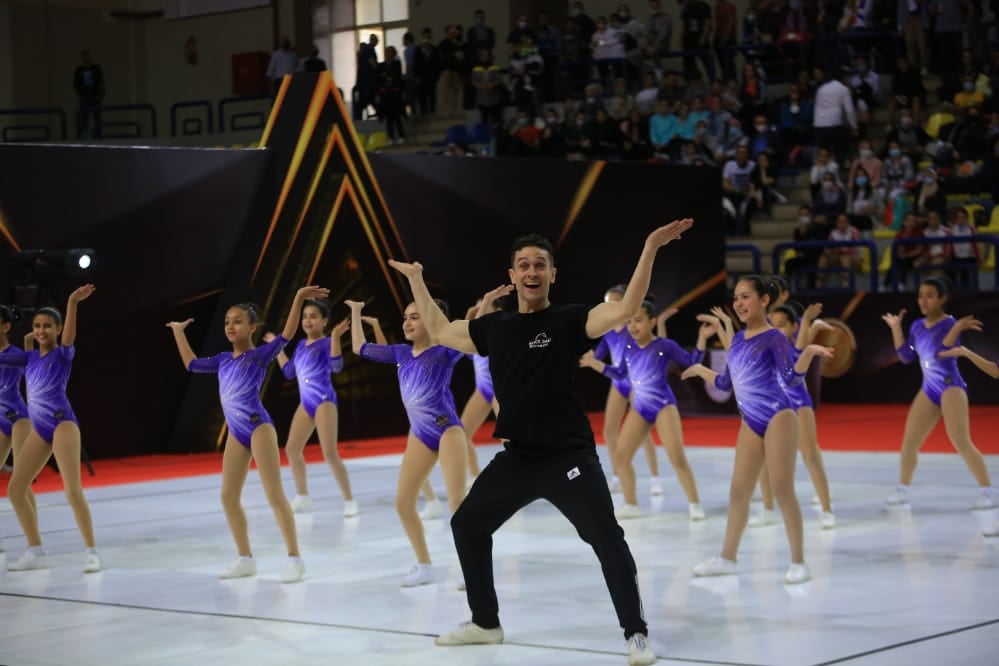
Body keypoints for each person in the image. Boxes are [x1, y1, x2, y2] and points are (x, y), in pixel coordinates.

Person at [387, 220, 697, 664]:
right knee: (467, 525)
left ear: (553, 273)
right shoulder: (494, 327)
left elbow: (627, 307)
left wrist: (649, 247)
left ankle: (636, 632)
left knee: (606, 537)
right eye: (523, 265)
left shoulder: (570, 320)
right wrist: (417, 280)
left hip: (568, 454)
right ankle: (485, 623)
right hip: (518, 457)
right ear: (512, 275)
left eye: (539, 265)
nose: (531, 271)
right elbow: (437, 330)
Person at [167, 286, 327, 583]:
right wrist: (178, 332)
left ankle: (295, 559)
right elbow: (191, 364)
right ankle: (245, 559)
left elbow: (287, 335)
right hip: (236, 433)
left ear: (253, 327)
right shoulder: (223, 359)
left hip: (258, 428)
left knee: (274, 494)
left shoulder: (259, 356)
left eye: (238, 321)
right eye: (227, 321)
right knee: (228, 497)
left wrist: (298, 298)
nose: (231, 326)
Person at [681, 276, 833, 584]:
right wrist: (699, 369)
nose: (739, 303)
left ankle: (799, 562)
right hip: (750, 421)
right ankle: (727, 558)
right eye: (736, 297)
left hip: (779, 416)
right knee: (739, 491)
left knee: (782, 489)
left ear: (764, 300)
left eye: (746, 296)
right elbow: (726, 383)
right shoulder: (738, 340)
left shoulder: (774, 338)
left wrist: (807, 353)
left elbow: (790, 379)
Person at [346, 298, 468, 587]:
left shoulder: (445, 351)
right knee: (403, 502)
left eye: (415, 317)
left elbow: (472, 337)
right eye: (405, 317)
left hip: (448, 431)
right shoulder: (401, 352)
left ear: (431, 320)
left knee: (457, 503)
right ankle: (424, 565)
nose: (407, 322)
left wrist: (482, 307)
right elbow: (359, 347)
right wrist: (356, 312)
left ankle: (471, 566)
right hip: (420, 434)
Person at [580, 303, 713, 521]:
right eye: (630, 321)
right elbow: (619, 373)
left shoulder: (664, 345)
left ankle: (694, 503)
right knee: (621, 457)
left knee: (676, 457)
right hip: (641, 408)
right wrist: (594, 363)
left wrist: (702, 338)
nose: (633, 326)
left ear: (652, 322)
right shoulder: (629, 347)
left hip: (663, 406)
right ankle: (631, 504)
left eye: (638, 320)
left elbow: (692, 361)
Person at [3, 285, 102, 573]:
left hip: (63, 426)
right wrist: (27, 342)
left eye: (47, 325)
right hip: (40, 429)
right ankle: (36, 551)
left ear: (57, 329)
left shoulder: (62, 355)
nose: (42, 330)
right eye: (37, 326)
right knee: (15, 488)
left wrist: (72, 302)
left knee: (72, 490)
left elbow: (70, 336)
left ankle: (92, 552)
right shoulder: (29, 358)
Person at [880, 277, 996, 509]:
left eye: (930, 296)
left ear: (942, 299)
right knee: (910, 442)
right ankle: (903, 489)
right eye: (921, 295)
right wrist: (896, 329)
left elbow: (942, 351)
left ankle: (988, 491)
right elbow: (906, 356)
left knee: (961, 441)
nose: (923, 301)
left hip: (950, 387)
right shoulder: (917, 326)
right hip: (929, 388)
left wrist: (957, 328)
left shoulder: (950, 323)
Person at [748, 303, 836, 530]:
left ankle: (827, 510)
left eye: (782, 325)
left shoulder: (793, 348)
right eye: (772, 324)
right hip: (773, 408)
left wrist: (807, 322)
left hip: (798, 406)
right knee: (763, 459)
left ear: (793, 327)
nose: (775, 329)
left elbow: (800, 348)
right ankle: (768, 510)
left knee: (810, 455)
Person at [268, 299, 356, 517]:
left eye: (313, 316)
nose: (308, 320)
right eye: (305, 316)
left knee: (330, 453)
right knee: (291, 449)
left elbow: (337, 366)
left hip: (324, 401)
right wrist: (277, 348)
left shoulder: (326, 343)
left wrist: (336, 338)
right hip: (306, 403)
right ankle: (303, 496)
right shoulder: (300, 345)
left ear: (324, 321)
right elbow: (289, 372)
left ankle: (349, 500)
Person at [591, 285, 666, 496]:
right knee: (609, 430)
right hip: (618, 383)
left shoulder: (633, 328)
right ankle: (617, 475)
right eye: (607, 304)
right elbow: (597, 355)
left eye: (615, 303)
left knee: (643, 433)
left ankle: (655, 478)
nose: (610, 308)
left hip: (636, 383)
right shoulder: (607, 332)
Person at [458, 285, 513, 482]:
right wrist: (468, 317)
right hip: (482, 390)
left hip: (501, 390)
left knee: (509, 440)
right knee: (461, 435)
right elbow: (465, 349)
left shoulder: (502, 324)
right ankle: (475, 477)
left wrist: (485, 303)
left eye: (484, 304)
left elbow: (480, 330)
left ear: (497, 309)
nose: (479, 308)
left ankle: (517, 479)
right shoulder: (478, 327)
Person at [0, 306, 36, 554]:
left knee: (22, 481)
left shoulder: (14, 354)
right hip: (0, 418)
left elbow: (28, 363)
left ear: (6, 326)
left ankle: (34, 540)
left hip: (18, 418)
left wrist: (29, 344)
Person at [73, 50, 105, 139]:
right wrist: (79, 95)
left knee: (97, 117)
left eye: (88, 56)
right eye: (85, 56)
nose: (87, 58)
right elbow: (76, 85)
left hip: (96, 96)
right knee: (84, 117)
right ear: (82, 58)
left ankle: (98, 135)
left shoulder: (96, 68)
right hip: (84, 97)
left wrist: (101, 95)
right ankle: (85, 136)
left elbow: (101, 82)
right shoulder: (79, 70)